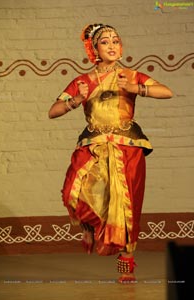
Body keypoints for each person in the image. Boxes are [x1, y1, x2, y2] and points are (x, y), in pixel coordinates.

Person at [48, 23, 173, 283]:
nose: (112, 46)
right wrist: (75, 101)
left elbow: (167, 92)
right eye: (105, 42)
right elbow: (53, 110)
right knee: (75, 190)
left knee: (126, 204)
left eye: (116, 41)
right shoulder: (83, 81)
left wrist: (138, 89)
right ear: (94, 49)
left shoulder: (130, 75)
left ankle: (126, 263)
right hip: (94, 145)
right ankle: (91, 226)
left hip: (127, 147)